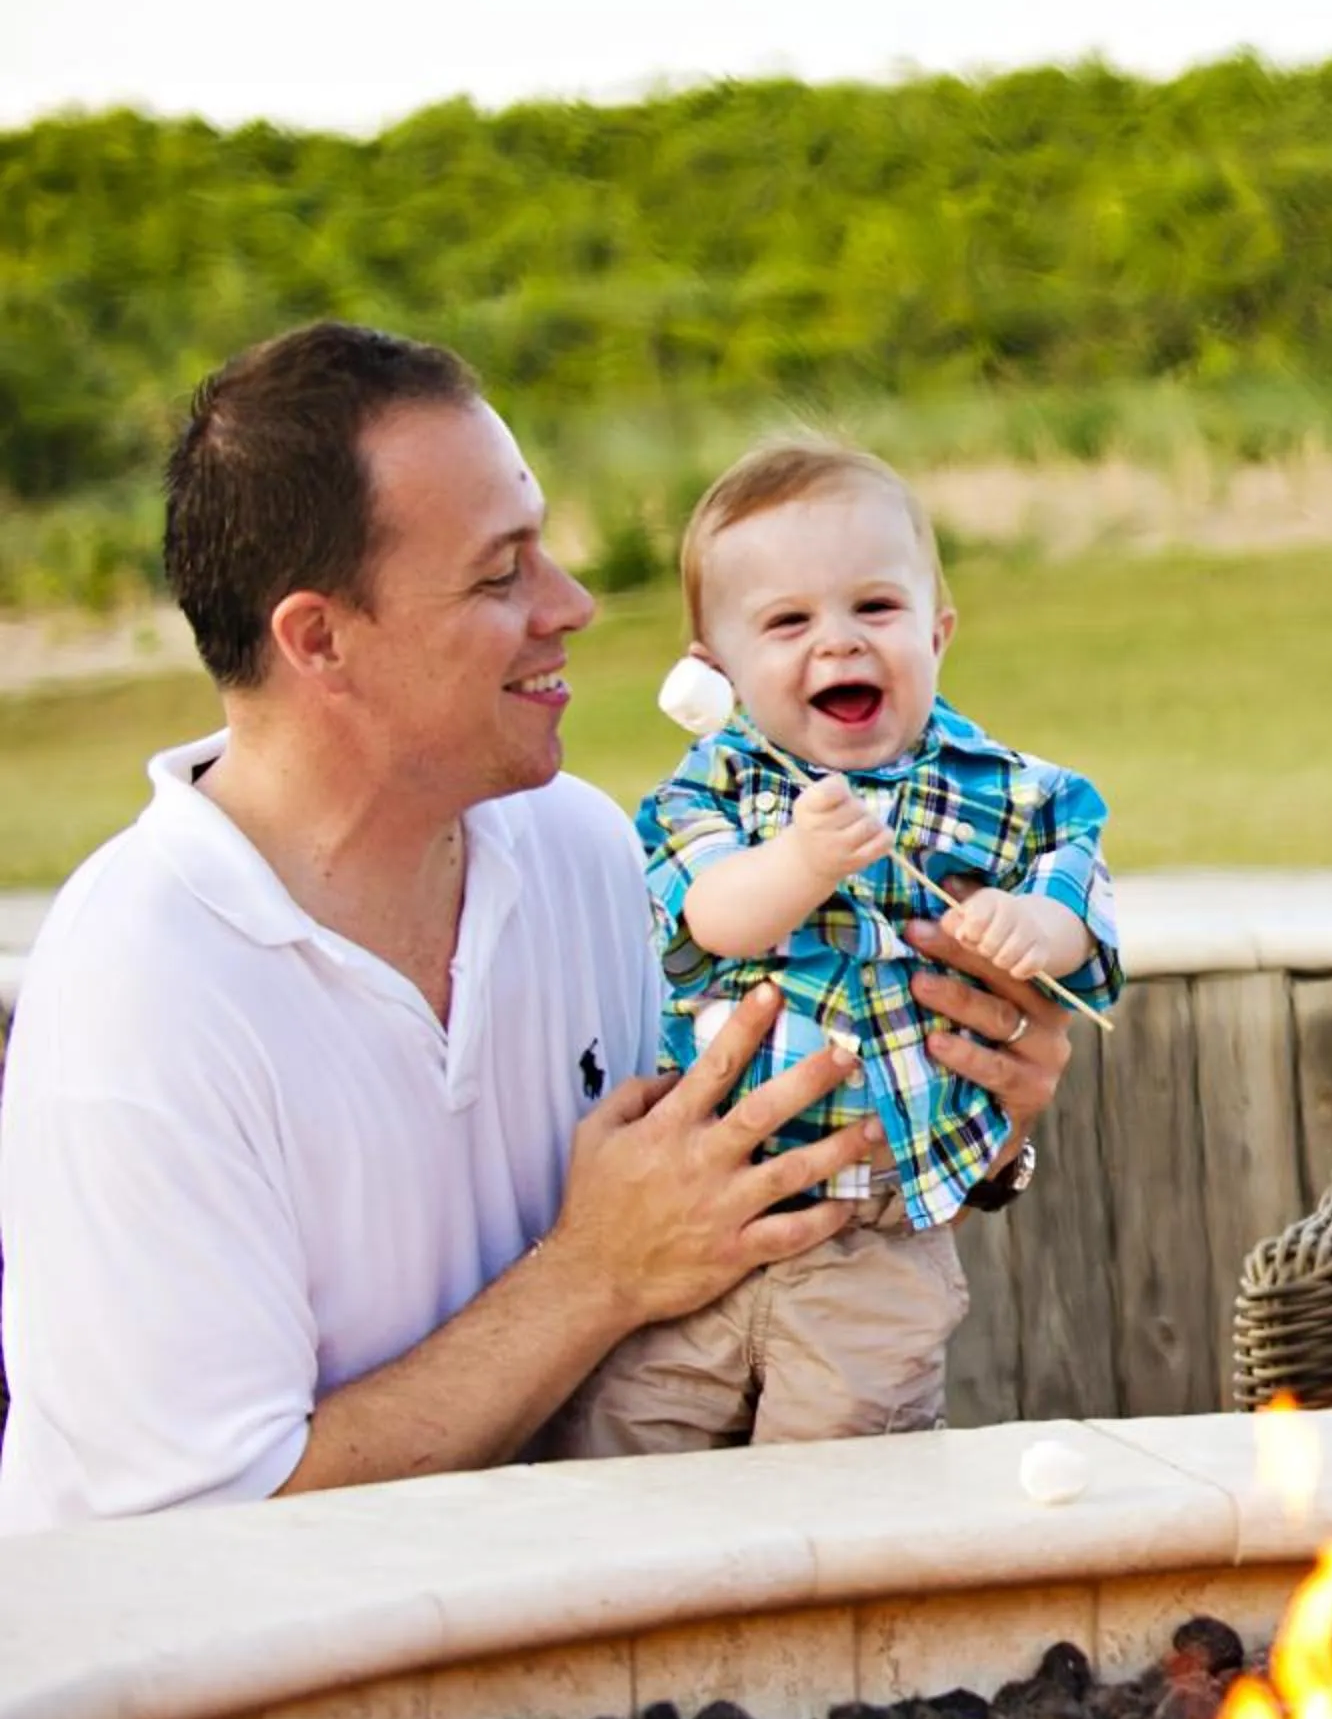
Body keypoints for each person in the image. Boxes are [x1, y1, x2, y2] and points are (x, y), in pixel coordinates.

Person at [0, 322, 1070, 1533]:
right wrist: (595, 1277)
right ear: (320, 640)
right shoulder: (140, 997)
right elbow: (198, 1538)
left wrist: (983, 1129)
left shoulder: (582, 849)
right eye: (500, 572)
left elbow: (715, 1193)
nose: (572, 604)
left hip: (557, 1621)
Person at [556, 437, 1122, 1452]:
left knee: (849, 1482)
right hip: (699, 1237)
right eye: (787, 622)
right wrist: (803, 861)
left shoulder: (1004, 788)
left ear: (938, 633)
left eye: (876, 608)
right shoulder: (710, 791)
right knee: (636, 1455)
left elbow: (1079, 889)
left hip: (877, 1243)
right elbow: (713, 913)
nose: (840, 644)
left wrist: (1037, 926)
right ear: (714, 672)